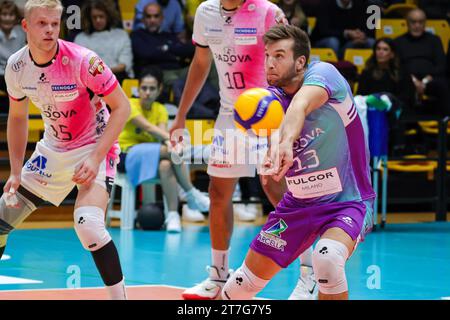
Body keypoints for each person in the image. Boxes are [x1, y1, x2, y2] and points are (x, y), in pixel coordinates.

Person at [170, 0, 317, 300]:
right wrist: (181, 115)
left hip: (270, 111)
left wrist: (293, 112)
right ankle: (218, 276)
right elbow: (200, 63)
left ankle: (310, 275)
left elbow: (291, 61)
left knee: (280, 192)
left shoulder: (267, 11)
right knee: (218, 192)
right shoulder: (205, 13)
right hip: (231, 115)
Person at [221, 24, 375, 300]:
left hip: (348, 201)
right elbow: (270, 178)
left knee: (326, 259)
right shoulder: (270, 99)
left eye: (279, 56)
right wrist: (270, 156)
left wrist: (284, 143)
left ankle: (314, 278)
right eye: (267, 55)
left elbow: (300, 106)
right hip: (298, 207)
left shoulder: (324, 75)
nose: (270, 63)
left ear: (301, 61)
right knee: (237, 288)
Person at [0, 0, 131, 299]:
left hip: (94, 146)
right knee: (0, 219)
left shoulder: (83, 60)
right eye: (41, 23)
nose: (49, 30)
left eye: (54, 24)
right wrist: (17, 172)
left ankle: (119, 298)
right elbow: (18, 118)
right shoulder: (17, 67)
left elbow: (122, 107)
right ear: (26, 26)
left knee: (88, 226)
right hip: (52, 151)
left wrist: (96, 157)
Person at [118, 67, 210, 232]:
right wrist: (171, 141)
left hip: (151, 154)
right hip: (126, 154)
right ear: (138, 89)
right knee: (174, 151)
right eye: (144, 88)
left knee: (166, 165)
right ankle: (190, 193)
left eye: (152, 88)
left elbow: (160, 136)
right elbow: (148, 128)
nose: (147, 92)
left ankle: (173, 215)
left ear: (159, 90)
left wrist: (168, 142)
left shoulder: (160, 109)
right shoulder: (130, 104)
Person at [394, 8, 449, 116]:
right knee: (401, 86)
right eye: (413, 22)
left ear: (425, 23)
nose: (417, 25)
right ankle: (405, 126)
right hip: (407, 79)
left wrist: (424, 82)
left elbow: (441, 64)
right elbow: (397, 66)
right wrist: (413, 80)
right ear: (407, 23)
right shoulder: (398, 41)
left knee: (444, 85)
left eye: (420, 22)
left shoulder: (434, 40)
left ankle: (446, 123)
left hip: (431, 79)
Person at [130, 2, 194, 90]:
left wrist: (166, 48)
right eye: (148, 16)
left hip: (179, 69)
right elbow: (146, 54)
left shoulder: (168, 35)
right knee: (178, 82)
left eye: (156, 16)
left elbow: (185, 50)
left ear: (162, 18)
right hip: (159, 73)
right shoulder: (137, 36)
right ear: (143, 19)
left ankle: (215, 101)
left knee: (209, 66)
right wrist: (171, 49)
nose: (152, 20)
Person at [74, 0, 133, 84]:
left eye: (101, 16)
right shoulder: (80, 38)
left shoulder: (122, 35)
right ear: (89, 18)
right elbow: (80, 66)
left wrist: (102, 73)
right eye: (94, 17)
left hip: (118, 78)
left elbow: (124, 65)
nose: (98, 20)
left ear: (108, 16)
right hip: (90, 81)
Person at [311, 0, 375, 59]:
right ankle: (335, 67)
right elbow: (324, 31)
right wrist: (346, 33)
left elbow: (367, 27)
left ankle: (372, 68)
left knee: (371, 42)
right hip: (325, 40)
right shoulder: (325, 4)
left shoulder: (359, 5)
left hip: (350, 41)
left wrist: (361, 35)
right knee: (333, 42)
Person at [0, 0, 26, 110]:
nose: (7, 18)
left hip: (16, 73)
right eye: (4, 14)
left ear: (15, 17)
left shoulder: (21, 32)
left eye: (11, 15)